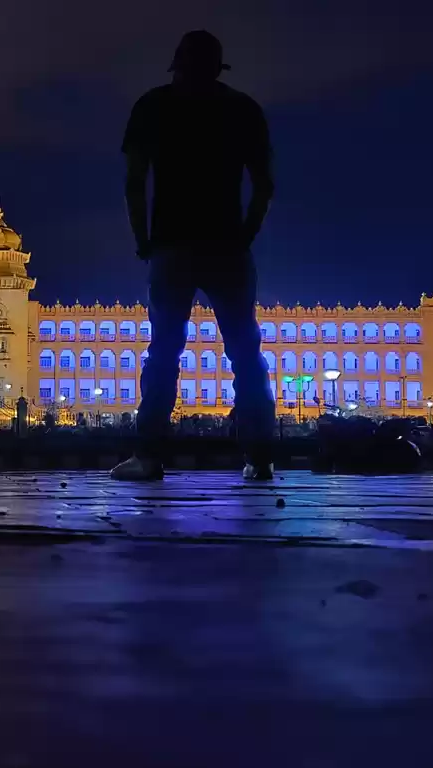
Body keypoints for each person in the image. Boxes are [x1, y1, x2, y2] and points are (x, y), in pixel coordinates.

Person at [112, 30, 276, 481]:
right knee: (245, 350)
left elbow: (134, 181)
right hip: (226, 244)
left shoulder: (152, 106)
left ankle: (148, 455)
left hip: (172, 243)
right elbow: (264, 185)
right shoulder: (242, 109)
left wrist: (142, 237)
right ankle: (259, 457)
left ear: (177, 66)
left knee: (164, 349)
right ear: (217, 67)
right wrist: (245, 234)